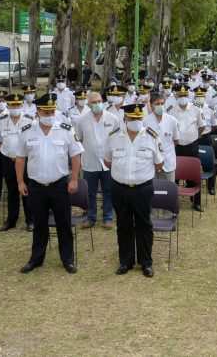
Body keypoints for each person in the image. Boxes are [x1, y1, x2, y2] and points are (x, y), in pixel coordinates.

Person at [16, 94, 83, 274]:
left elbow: (76, 155)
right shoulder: (26, 130)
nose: (50, 114)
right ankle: (36, 259)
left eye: (52, 111)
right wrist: (20, 181)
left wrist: (74, 178)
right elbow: (20, 158)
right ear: (38, 112)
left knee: (64, 224)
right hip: (36, 186)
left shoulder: (66, 129)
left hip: (59, 185)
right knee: (39, 225)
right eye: (46, 111)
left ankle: (67, 259)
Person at [105, 104, 164, 278]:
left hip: (142, 189)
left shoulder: (151, 136)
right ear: (125, 119)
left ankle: (146, 262)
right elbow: (108, 161)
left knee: (144, 225)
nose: (136, 121)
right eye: (132, 118)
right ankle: (126, 261)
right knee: (123, 224)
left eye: (139, 118)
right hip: (119, 188)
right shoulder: (114, 136)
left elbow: (159, 163)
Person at [74, 91, 120, 229]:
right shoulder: (81, 120)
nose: (97, 104)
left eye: (99, 101)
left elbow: (117, 140)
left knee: (108, 190)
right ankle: (91, 217)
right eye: (94, 102)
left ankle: (108, 217)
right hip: (89, 162)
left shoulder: (113, 119)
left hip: (108, 162)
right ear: (88, 104)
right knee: (90, 192)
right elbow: (79, 139)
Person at [0, 93, 35, 231]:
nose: (15, 107)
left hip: (25, 160)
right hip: (8, 159)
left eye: (17, 105)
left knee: (26, 189)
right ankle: (11, 220)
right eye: (12, 105)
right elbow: (1, 140)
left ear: (22, 105)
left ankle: (30, 220)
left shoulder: (30, 120)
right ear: (7, 105)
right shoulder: (1, 120)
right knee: (11, 190)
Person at [172, 85, 204, 211]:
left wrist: (194, 137)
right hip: (177, 146)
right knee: (175, 175)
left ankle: (196, 202)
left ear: (189, 96)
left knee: (194, 174)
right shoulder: (171, 110)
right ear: (176, 96)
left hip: (192, 146)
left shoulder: (196, 110)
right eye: (180, 95)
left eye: (185, 95)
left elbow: (201, 126)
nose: (182, 98)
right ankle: (172, 202)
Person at [144, 92, 179, 182]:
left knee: (169, 192)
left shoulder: (172, 121)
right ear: (151, 106)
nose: (160, 106)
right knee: (153, 192)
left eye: (162, 103)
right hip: (151, 164)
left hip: (168, 162)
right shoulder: (145, 122)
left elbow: (176, 141)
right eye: (157, 104)